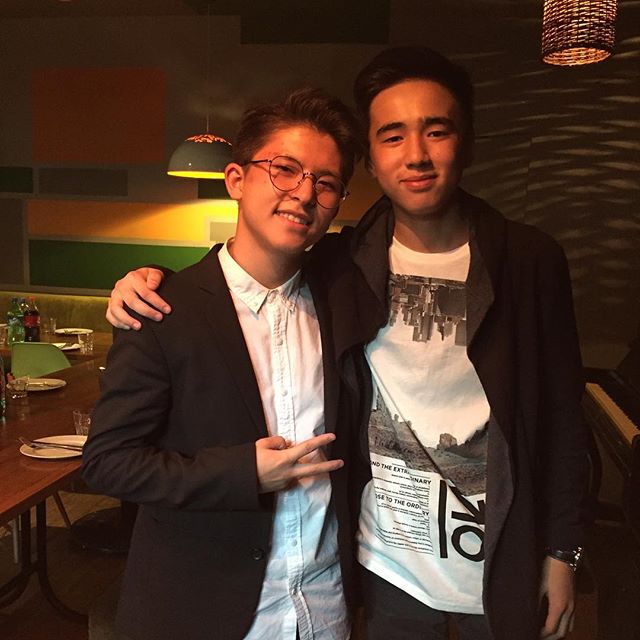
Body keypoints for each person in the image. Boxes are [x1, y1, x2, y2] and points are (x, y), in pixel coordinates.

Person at [106, 47, 590, 640]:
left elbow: (564, 419)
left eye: (437, 131)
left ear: (466, 142)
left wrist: (563, 551)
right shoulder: (344, 263)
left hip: (497, 563)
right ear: (375, 160)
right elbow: (236, 283)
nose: (416, 154)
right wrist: (152, 280)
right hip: (384, 571)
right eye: (392, 136)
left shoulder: (529, 262)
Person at [82, 87, 363, 640]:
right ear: (236, 179)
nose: (304, 193)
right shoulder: (163, 310)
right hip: (205, 611)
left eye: (326, 183)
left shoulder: (342, 294)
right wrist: (242, 474)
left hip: (325, 609)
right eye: (284, 170)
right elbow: (108, 462)